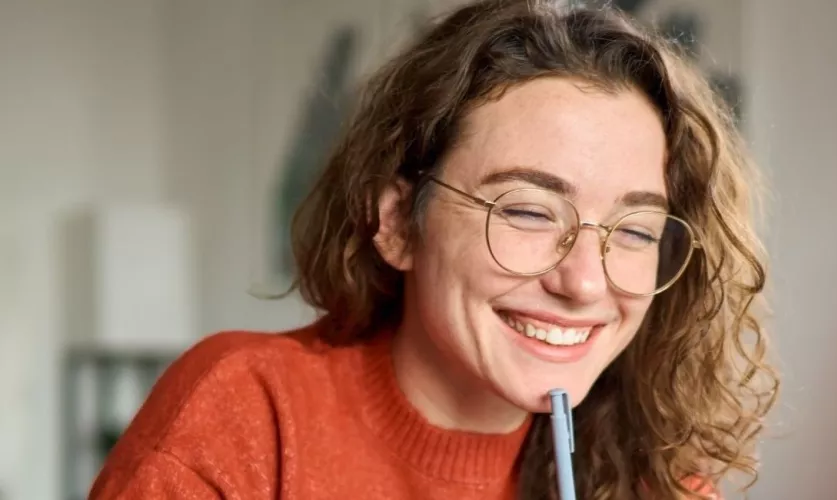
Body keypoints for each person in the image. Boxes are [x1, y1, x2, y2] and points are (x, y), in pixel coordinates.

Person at [89, 0, 778, 498]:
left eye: (633, 231)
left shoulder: (659, 480)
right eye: (530, 211)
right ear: (396, 222)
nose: (585, 283)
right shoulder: (247, 412)